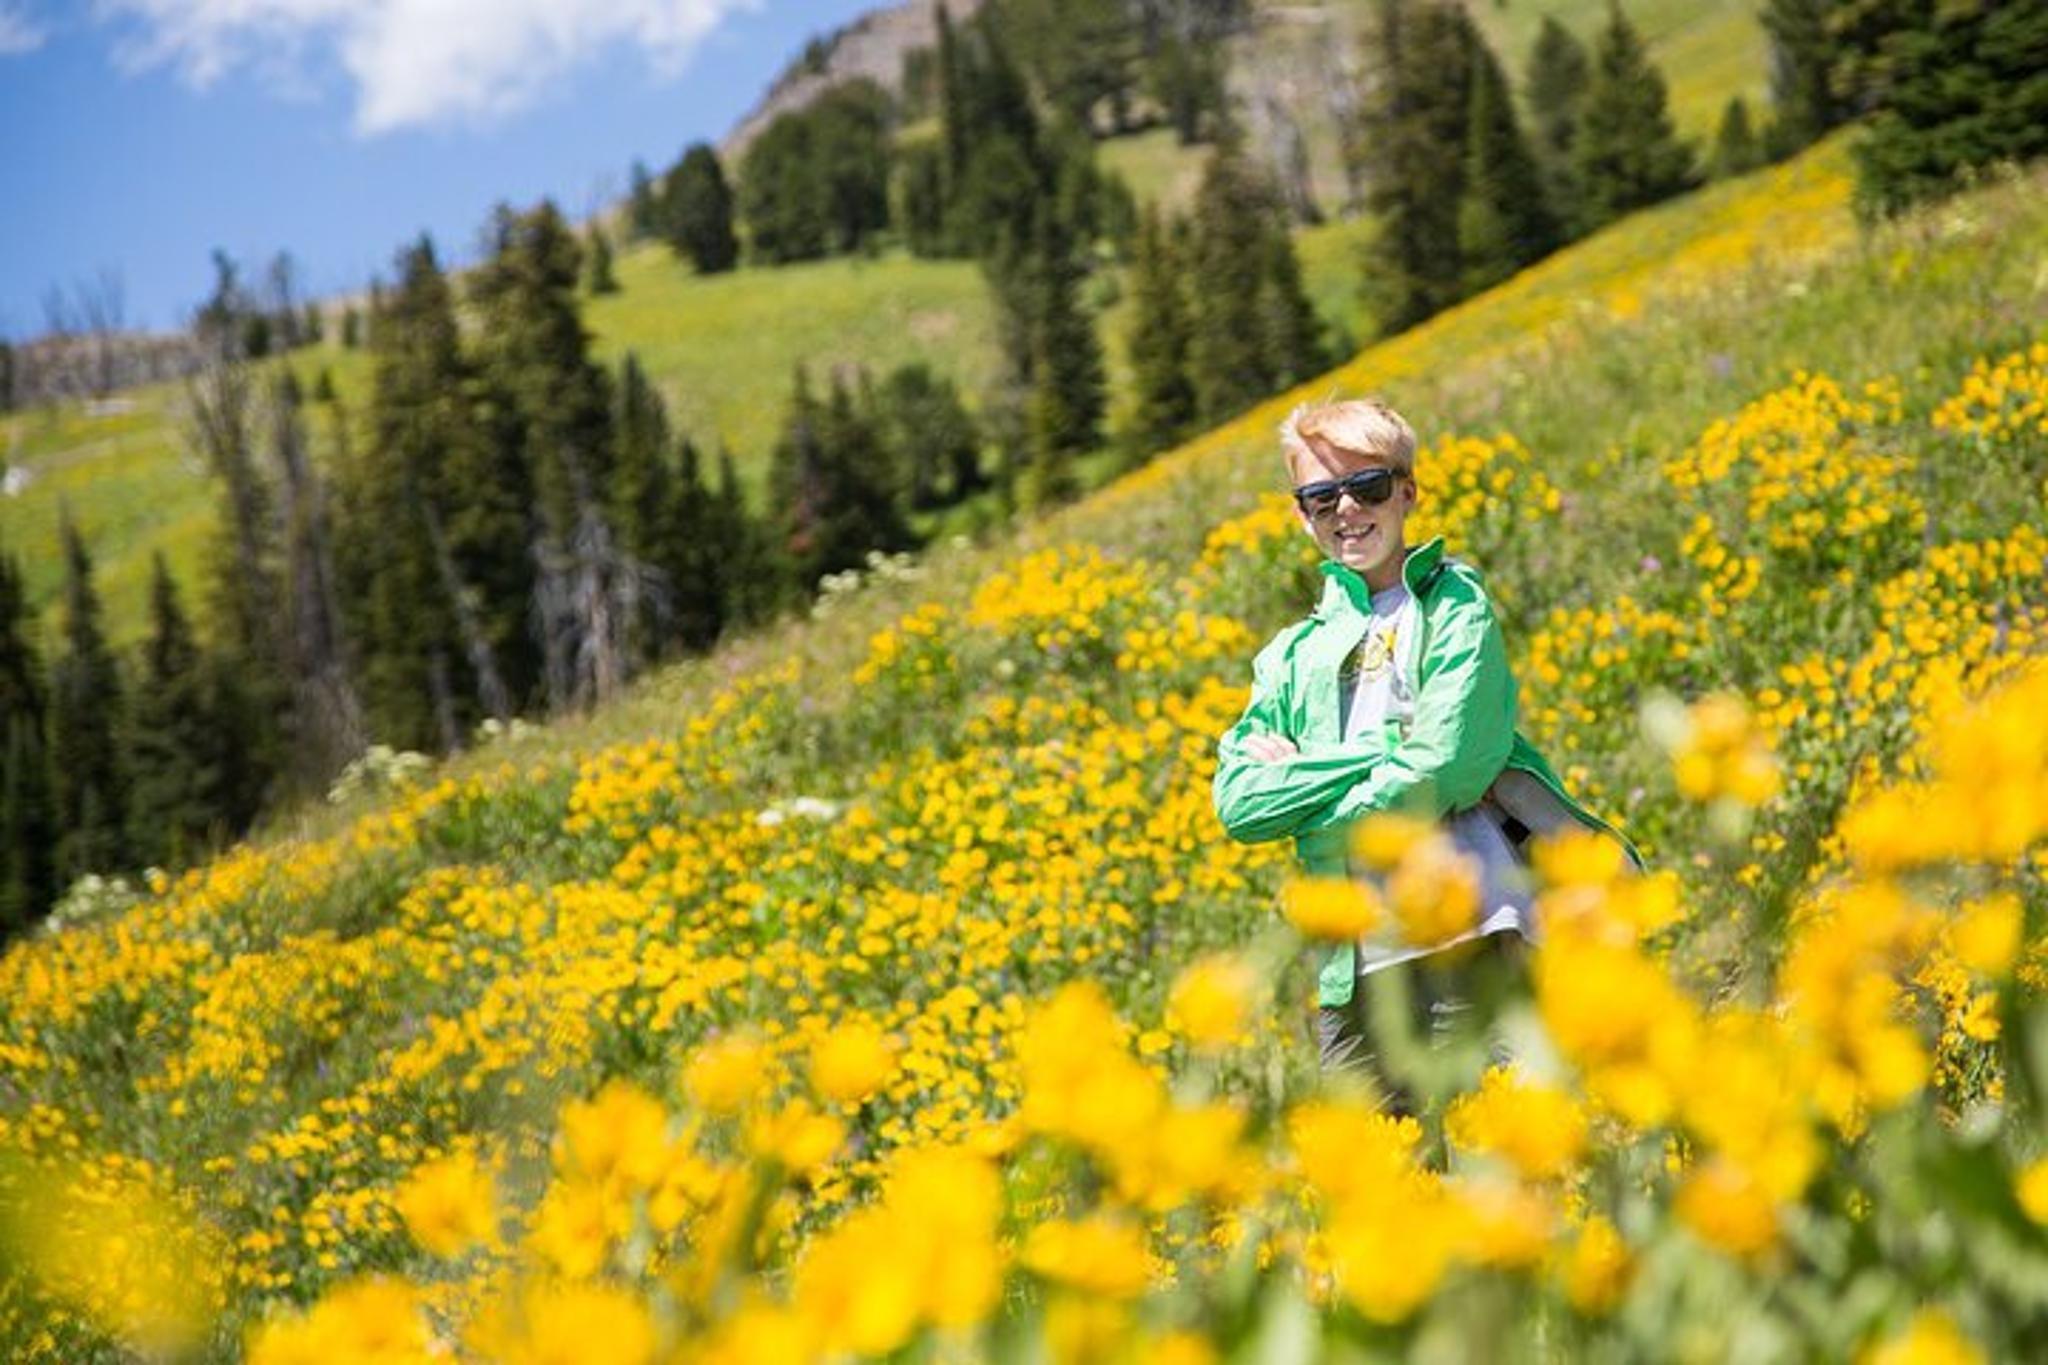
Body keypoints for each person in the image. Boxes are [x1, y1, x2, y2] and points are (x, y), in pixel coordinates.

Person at [1210, 397, 1639, 1098]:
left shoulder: (1453, 603)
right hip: (1355, 970)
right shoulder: (1288, 657)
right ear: (1301, 513)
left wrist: (1311, 791)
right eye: (1321, 496)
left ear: (1407, 491)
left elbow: (1449, 767)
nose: (1346, 509)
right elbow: (1241, 803)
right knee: (1374, 1191)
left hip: (1471, 932)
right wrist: (1387, 749)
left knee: (1505, 1175)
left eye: (1368, 486)